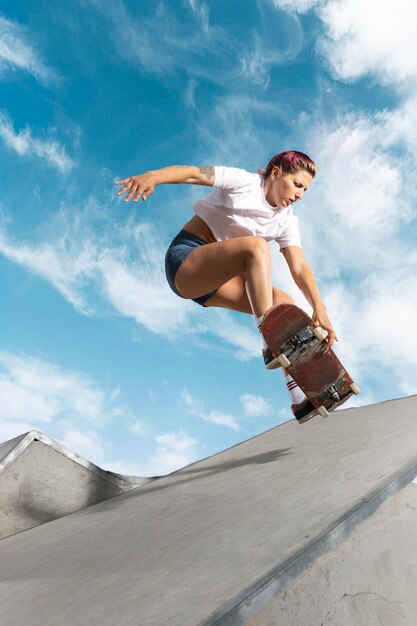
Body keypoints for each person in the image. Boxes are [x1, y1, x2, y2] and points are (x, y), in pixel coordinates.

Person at [115, 151, 338, 423]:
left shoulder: (286, 220)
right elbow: (193, 173)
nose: (301, 194)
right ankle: (269, 340)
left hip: (217, 284)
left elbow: (299, 266)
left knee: (284, 304)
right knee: (256, 247)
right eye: (298, 184)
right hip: (186, 262)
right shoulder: (243, 182)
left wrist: (319, 306)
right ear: (277, 173)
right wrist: (153, 177)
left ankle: (299, 399)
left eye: (306, 189)